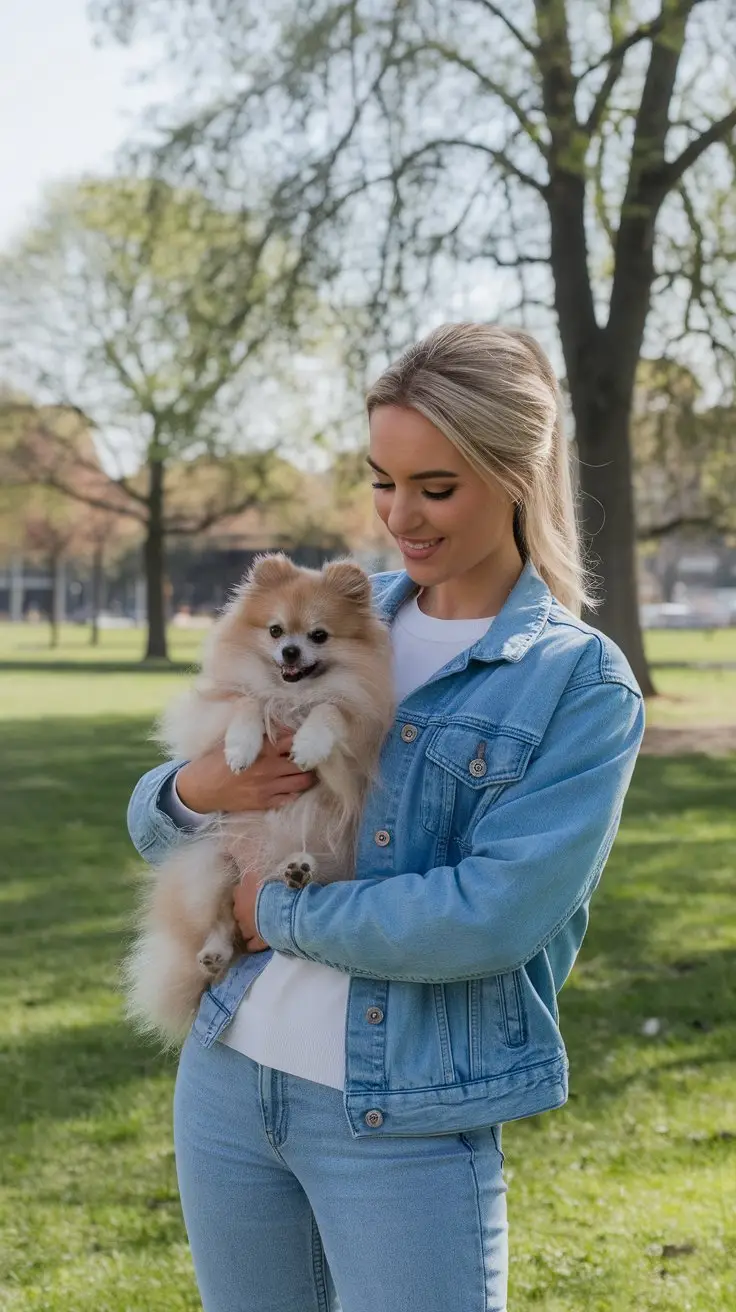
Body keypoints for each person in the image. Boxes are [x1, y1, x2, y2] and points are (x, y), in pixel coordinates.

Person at [126, 322, 645, 1312]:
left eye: (435, 487)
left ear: (515, 473)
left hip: (401, 1118)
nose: (399, 514)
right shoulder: (332, 619)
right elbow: (157, 827)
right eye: (382, 480)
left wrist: (270, 911)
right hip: (229, 1080)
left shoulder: (574, 682)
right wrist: (197, 789)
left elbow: (489, 914)